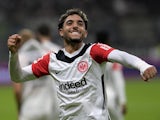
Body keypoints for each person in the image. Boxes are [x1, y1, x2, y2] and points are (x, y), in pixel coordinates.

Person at [8, 8, 157, 120]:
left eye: (80, 23)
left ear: (85, 32)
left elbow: (121, 56)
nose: (75, 26)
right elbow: (18, 76)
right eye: (70, 23)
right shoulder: (51, 60)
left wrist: (143, 66)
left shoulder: (94, 51)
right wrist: (13, 54)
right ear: (61, 31)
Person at [12, 28, 59, 120]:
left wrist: (19, 108)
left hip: (29, 108)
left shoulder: (19, 58)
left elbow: (17, 90)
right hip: (49, 108)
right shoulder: (46, 55)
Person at [95, 31, 127, 120]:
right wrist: (122, 101)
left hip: (94, 97)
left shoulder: (90, 57)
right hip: (111, 97)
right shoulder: (113, 57)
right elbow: (118, 80)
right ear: (108, 41)